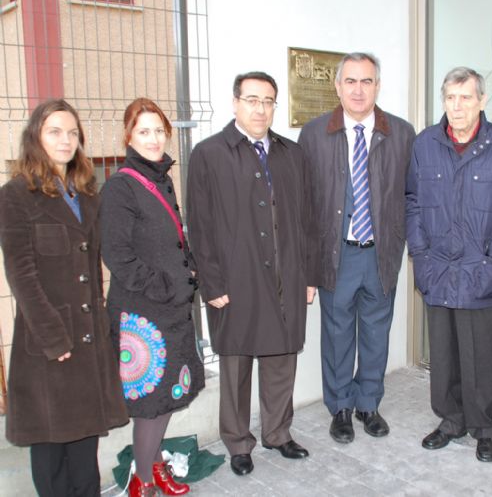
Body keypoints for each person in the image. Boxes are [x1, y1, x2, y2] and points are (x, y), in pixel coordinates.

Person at [0, 99, 128, 496]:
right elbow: (22, 277)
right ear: (36, 137)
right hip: (48, 345)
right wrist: (54, 339)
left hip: (88, 341)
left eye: (72, 132)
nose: (66, 140)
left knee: (84, 448)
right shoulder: (15, 196)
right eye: (55, 131)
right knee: (52, 447)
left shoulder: (87, 193)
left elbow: (93, 270)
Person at [187, 72, 309, 476]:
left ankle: (278, 432)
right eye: (252, 99)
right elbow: (199, 225)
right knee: (236, 365)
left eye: (268, 101)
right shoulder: (209, 153)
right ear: (235, 102)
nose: (260, 108)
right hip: (234, 280)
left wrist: (306, 276)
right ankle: (238, 443)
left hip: (284, 275)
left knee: (280, 361)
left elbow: (305, 219)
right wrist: (211, 283)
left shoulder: (289, 154)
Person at [406, 66, 492, 462]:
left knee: (481, 357)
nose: (456, 107)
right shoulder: (425, 144)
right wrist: (421, 257)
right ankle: (450, 421)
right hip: (437, 271)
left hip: (482, 273)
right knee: (443, 356)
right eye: (450, 98)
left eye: (465, 98)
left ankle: (483, 428)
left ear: (481, 101)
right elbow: (412, 203)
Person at [298, 52, 415, 443]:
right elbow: (305, 203)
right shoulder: (315, 134)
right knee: (336, 335)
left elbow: (410, 196)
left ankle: (369, 404)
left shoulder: (400, 132)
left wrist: (402, 244)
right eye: (351, 81)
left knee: (376, 334)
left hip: (380, 253)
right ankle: (342, 409)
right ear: (337, 86)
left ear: (378, 86)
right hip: (337, 253)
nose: (359, 89)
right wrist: (309, 264)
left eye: (367, 81)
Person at [101, 98, 205, 496]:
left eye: (159, 130)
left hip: (171, 309)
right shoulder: (120, 187)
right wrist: (168, 286)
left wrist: (190, 269)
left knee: (166, 396)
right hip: (142, 315)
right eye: (144, 131)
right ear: (129, 137)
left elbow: (174, 237)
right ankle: (141, 482)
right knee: (151, 403)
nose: (154, 138)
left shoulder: (162, 179)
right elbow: (118, 257)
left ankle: (154, 465)